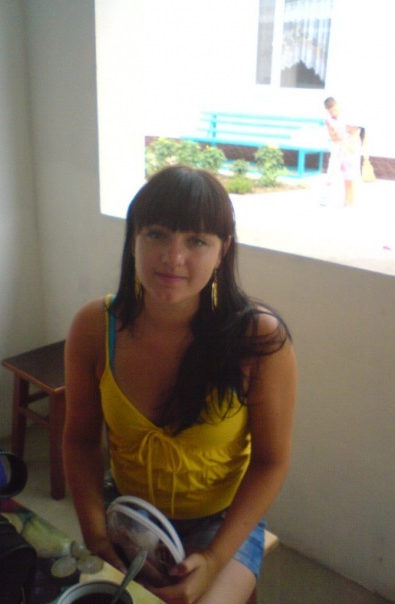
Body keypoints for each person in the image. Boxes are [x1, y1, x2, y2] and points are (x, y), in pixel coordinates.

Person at [63, 165, 297, 604]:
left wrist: (214, 557)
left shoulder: (259, 340)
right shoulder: (95, 326)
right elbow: (79, 441)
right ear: (133, 239)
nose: (173, 257)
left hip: (222, 522)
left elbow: (271, 462)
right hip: (130, 513)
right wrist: (96, 536)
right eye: (156, 234)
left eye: (196, 241)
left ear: (223, 250)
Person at [323, 96, 363, 207]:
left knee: (350, 174)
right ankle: (326, 197)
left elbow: (355, 131)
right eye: (330, 112)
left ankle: (349, 200)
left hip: (351, 146)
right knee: (332, 171)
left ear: (337, 105)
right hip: (338, 147)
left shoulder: (347, 115)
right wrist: (343, 144)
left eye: (334, 110)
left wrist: (350, 146)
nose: (333, 113)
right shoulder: (328, 120)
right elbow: (333, 136)